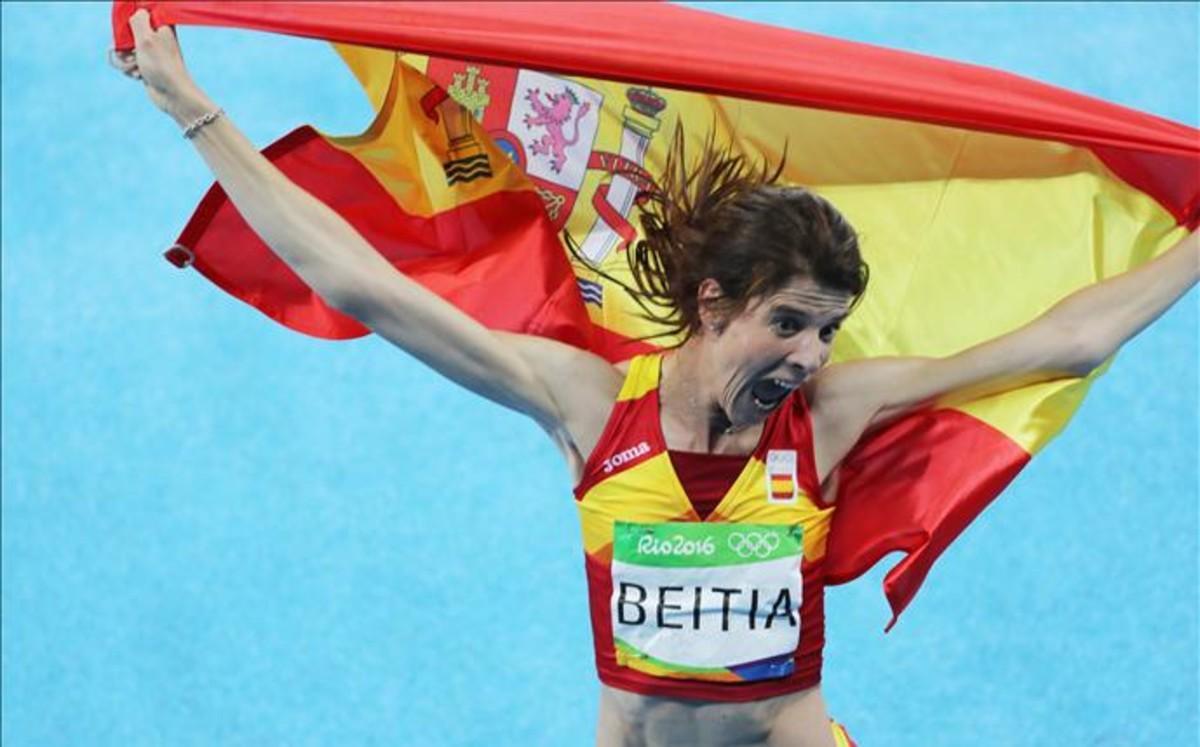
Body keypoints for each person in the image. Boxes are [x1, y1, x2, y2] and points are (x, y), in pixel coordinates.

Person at [113, 11, 1198, 747]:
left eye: (829, 332)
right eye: (791, 324)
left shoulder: (832, 416)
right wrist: (195, 113)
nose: (813, 359)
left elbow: (1073, 341)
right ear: (715, 304)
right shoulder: (588, 404)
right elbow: (360, 284)